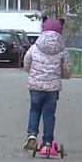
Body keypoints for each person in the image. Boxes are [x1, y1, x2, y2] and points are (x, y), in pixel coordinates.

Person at [22, 17, 72, 153]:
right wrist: (64, 76)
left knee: (35, 110)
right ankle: (47, 142)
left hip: (35, 86)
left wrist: (32, 73)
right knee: (49, 114)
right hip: (52, 88)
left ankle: (32, 135)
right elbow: (67, 68)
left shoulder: (35, 48)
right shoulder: (62, 50)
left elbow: (26, 62)